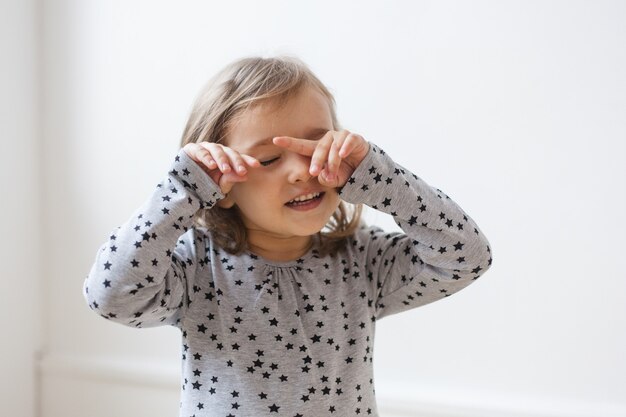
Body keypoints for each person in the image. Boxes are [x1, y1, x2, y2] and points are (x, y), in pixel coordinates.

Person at [83, 55, 493, 417]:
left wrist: (378, 176)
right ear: (219, 188)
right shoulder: (196, 266)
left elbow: (466, 254)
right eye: (269, 159)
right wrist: (182, 192)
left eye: (316, 146)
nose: (303, 171)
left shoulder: (362, 260)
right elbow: (111, 296)